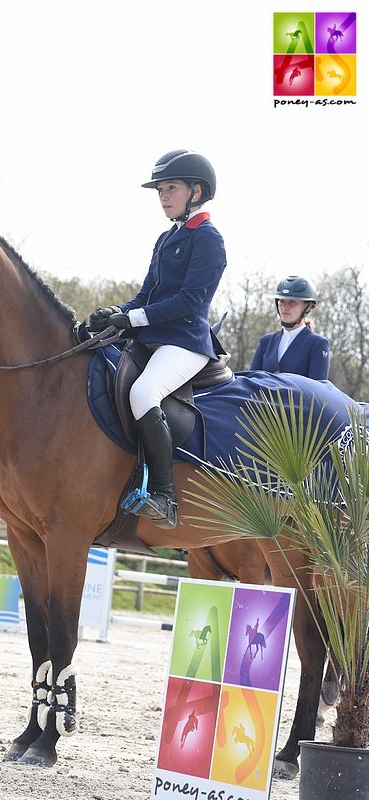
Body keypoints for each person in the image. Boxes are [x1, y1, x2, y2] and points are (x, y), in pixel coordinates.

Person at [88, 149, 227, 529]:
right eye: (160, 190)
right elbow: (145, 296)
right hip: (153, 338)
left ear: (196, 192)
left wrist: (131, 317)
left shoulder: (208, 239)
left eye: (171, 188)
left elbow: (189, 301)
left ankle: (165, 496)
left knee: (143, 392)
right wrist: (112, 313)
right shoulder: (167, 238)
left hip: (185, 342)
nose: (163, 196)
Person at [250, 275, 330, 379]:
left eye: (292, 302)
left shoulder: (318, 344)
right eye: (282, 301)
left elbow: (317, 388)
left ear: (308, 307)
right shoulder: (265, 342)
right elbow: (251, 381)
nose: (284, 307)